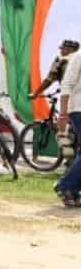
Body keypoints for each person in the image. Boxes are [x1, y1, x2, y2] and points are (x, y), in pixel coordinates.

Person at [54, 48, 81, 206]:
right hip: (78, 108)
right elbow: (67, 84)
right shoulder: (78, 56)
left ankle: (71, 190)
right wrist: (63, 113)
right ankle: (66, 186)